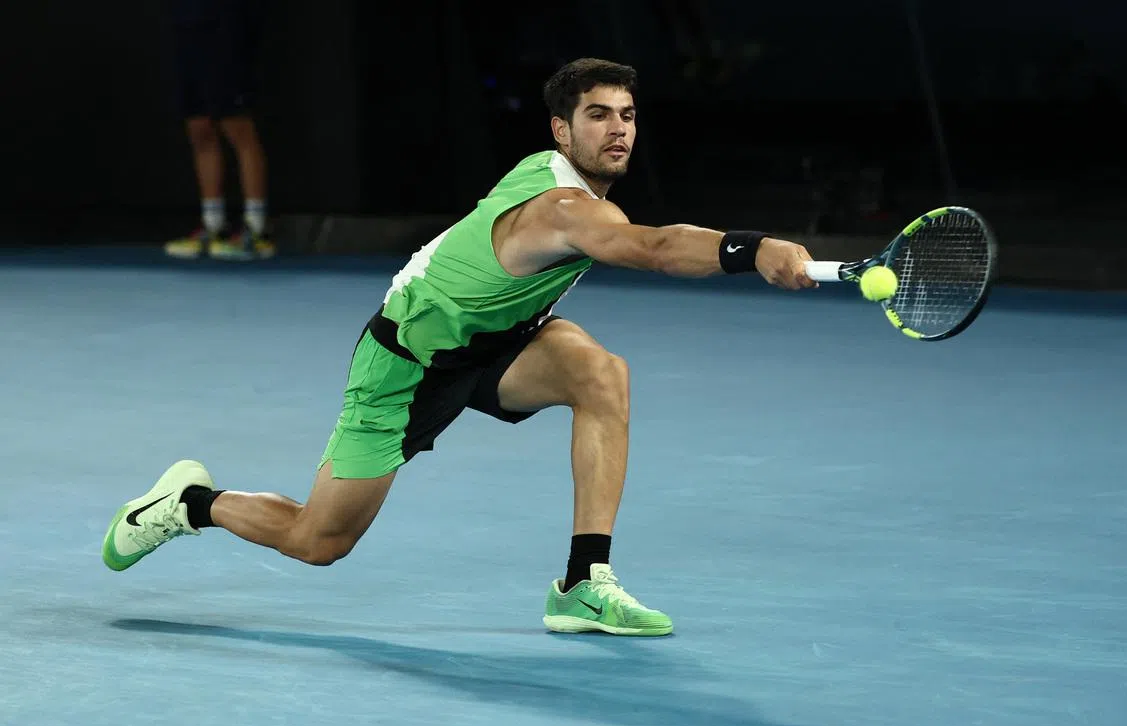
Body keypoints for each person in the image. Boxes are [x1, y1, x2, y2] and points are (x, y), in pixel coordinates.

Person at [103, 57, 817, 636]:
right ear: (561, 133)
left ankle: (582, 583)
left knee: (601, 375)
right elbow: (657, 250)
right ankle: (189, 502)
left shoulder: (589, 200)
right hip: (404, 368)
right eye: (597, 115)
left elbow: (642, 240)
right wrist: (751, 249)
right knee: (317, 541)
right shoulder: (560, 207)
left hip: (496, 347)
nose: (618, 130)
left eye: (627, 115)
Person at [164, 0, 275, 261]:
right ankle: (214, 225)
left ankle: (256, 228)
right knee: (198, 125)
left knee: (235, 124)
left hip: (226, 23)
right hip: (188, 23)